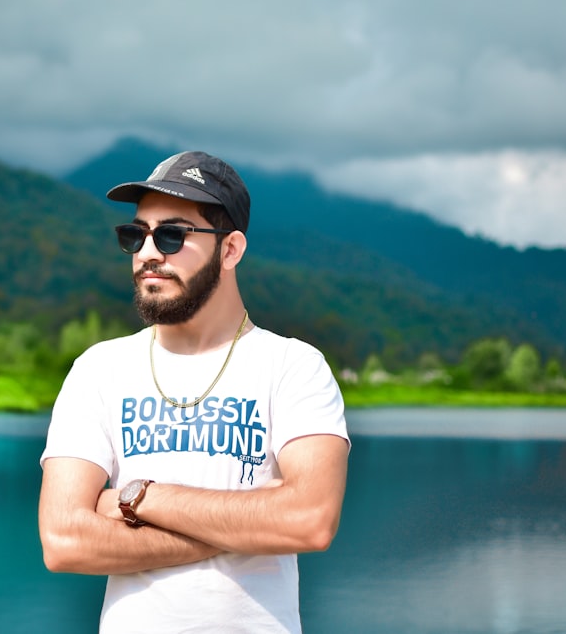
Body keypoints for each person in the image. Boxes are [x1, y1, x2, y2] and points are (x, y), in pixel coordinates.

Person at [38, 151, 350, 633]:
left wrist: (136, 499)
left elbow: (309, 519)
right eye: (135, 234)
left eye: (171, 235)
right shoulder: (98, 369)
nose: (148, 253)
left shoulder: (293, 367)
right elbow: (63, 541)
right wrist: (242, 528)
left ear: (230, 250)